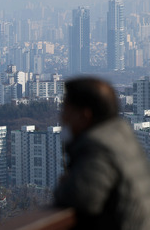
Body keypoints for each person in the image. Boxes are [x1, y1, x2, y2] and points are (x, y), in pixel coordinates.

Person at [54, 77, 150, 229]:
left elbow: (81, 197)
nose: (63, 117)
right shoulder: (121, 134)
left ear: (85, 115)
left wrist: (65, 184)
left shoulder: (98, 145)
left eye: (66, 110)